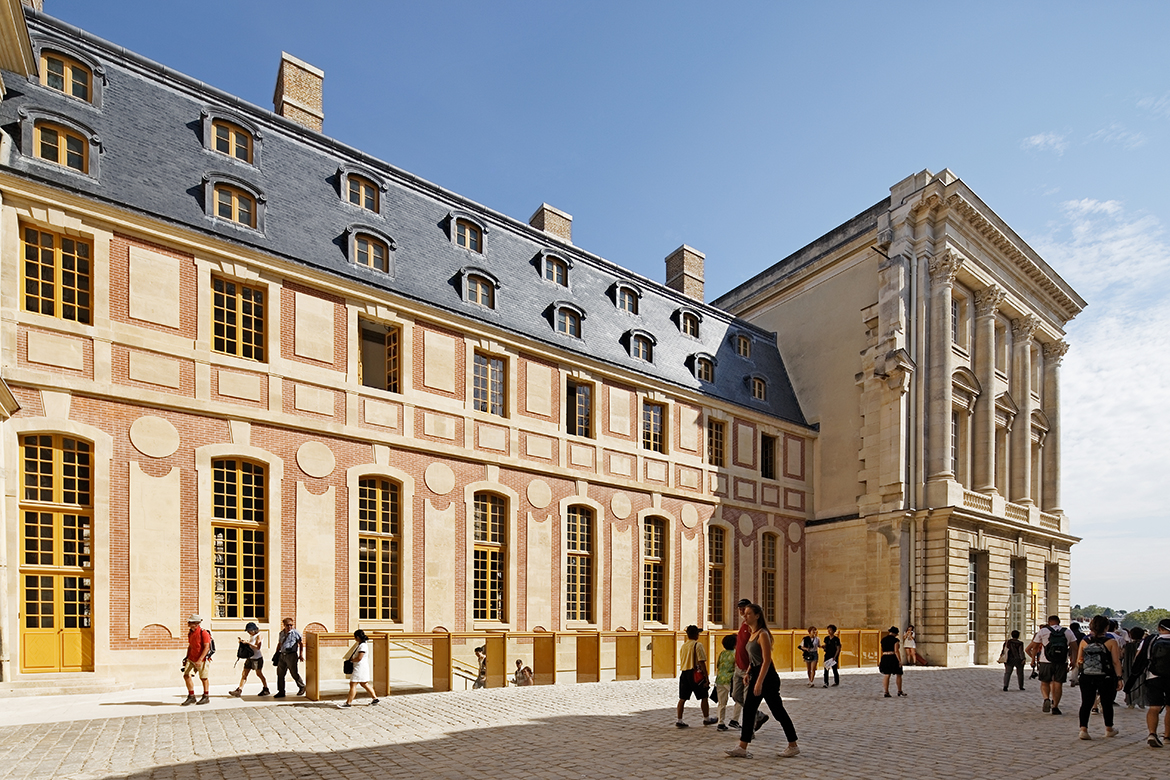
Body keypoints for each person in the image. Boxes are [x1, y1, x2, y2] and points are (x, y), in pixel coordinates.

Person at [724, 604, 799, 759]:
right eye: (744, 614)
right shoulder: (752, 634)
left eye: (748, 614)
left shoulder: (763, 634)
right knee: (749, 710)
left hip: (767, 677)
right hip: (756, 674)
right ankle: (742, 747)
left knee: (778, 712)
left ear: (757, 616)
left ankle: (793, 745)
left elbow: (766, 660)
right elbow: (754, 659)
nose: (745, 616)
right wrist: (748, 672)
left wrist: (759, 682)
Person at [1075, 614, 1122, 740]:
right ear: (1106, 627)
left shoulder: (1084, 641)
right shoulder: (1111, 642)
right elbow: (1116, 662)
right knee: (1107, 703)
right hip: (1106, 676)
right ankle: (1109, 728)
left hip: (1087, 676)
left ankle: (1083, 730)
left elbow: (1079, 660)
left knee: (1086, 703)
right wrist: (1119, 677)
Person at [727, 598, 767, 733]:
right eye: (740, 609)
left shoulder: (753, 628)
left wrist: (750, 668)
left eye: (744, 609)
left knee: (747, 700)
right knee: (735, 695)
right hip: (739, 667)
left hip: (747, 668)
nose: (742, 611)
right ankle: (758, 715)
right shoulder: (743, 625)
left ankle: (748, 731)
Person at [1026, 615, 1076, 715]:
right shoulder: (1067, 632)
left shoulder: (1043, 631)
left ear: (1049, 622)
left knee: (1045, 682)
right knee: (1058, 683)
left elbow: (1035, 647)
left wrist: (1033, 660)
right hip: (1062, 661)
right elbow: (1075, 648)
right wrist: (1073, 660)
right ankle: (1055, 706)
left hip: (1045, 661)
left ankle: (1046, 698)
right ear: (1059, 622)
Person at [1137, 617, 1170, 748]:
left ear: (1159, 628)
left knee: (1154, 707)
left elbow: (1139, 657)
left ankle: (1152, 734)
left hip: (1153, 676)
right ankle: (1167, 736)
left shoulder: (1151, 640)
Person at [676, 625, 717, 728]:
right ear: (696, 635)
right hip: (695, 674)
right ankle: (706, 718)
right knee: (704, 696)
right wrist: (706, 677)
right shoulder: (698, 645)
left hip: (684, 673)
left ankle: (679, 720)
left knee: (682, 698)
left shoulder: (683, 646)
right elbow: (701, 661)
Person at [229, 622, 269, 697]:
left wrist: (248, 643)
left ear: (253, 630)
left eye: (249, 631)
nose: (248, 632)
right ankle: (239, 690)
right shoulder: (252, 636)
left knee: (259, 674)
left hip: (257, 658)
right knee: (244, 674)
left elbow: (258, 647)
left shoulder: (259, 635)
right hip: (250, 658)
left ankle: (266, 688)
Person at [341, 629, 378, 707]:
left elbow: (359, 658)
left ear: (357, 637)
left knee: (353, 684)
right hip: (361, 667)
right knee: (364, 683)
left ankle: (348, 703)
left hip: (359, 668)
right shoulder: (362, 644)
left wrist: (352, 660)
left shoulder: (362, 646)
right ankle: (375, 698)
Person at [181, 614, 212, 705]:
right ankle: (191, 696)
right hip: (191, 658)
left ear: (196, 623)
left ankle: (206, 696)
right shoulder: (190, 633)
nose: (188, 623)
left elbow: (207, 647)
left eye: (190, 622)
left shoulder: (203, 633)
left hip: (202, 659)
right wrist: (186, 657)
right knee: (186, 675)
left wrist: (200, 660)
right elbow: (190, 646)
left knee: (203, 678)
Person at [274, 617, 306, 698]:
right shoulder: (281, 633)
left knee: (294, 673)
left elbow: (301, 643)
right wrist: (276, 653)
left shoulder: (296, 633)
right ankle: (281, 691)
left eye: (291, 625)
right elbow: (279, 643)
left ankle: (302, 686)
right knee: (280, 674)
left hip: (291, 655)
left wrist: (301, 654)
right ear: (284, 625)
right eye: (287, 625)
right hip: (282, 655)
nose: (289, 627)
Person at [714, 634, 737, 730]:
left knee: (721, 703)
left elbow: (718, 665)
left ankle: (720, 722)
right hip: (730, 680)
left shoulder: (722, 653)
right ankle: (735, 720)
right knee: (739, 700)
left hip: (720, 679)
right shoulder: (735, 654)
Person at [1123, 627, 1147, 709]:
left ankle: (1130, 702)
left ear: (1130, 635)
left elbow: (1121, 655)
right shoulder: (1144, 645)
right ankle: (1141, 702)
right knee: (1141, 682)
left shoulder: (1127, 646)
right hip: (1140, 667)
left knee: (1128, 682)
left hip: (1128, 666)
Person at [880, 626, 905, 698]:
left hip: (885, 657)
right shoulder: (895, 640)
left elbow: (882, 649)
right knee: (899, 674)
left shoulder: (883, 639)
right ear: (896, 633)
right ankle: (899, 691)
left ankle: (886, 691)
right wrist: (899, 661)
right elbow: (896, 651)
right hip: (892, 657)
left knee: (887, 674)